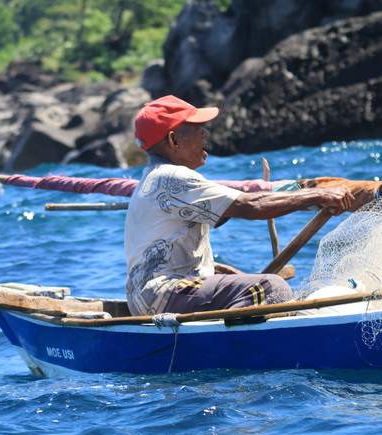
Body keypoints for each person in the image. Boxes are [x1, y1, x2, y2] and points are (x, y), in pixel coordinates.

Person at [124, 95, 356, 316]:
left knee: (254, 286)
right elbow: (252, 205)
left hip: (147, 298)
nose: (204, 134)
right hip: (163, 296)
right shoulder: (173, 177)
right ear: (174, 140)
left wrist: (221, 271)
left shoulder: (153, 178)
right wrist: (317, 195)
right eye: (197, 129)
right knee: (270, 289)